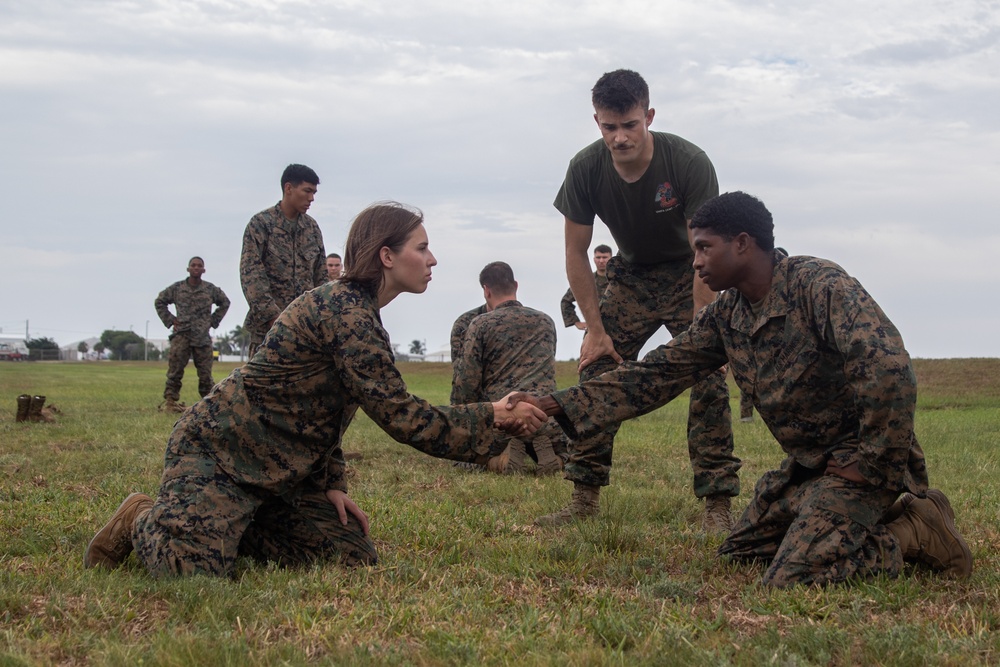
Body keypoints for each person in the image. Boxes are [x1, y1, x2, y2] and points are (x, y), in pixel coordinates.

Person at [508, 191, 973, 587]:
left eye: (705, 248)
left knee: (795, 574)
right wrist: (552, 404)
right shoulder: (727, 316)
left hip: (864, 466)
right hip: (813, 468)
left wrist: (875, 464)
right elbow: (654, 376)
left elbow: (888, 367)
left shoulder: (818, 286)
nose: (696, 262)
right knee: (742, 553)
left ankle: (915, 529)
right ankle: (826, 512)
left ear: (743, 244)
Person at [83, 202, 547, 578]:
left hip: (279, 473)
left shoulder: (362, 314)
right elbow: (404, 417)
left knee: (350, 555)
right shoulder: (343, 311)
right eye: (422, 248)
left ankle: (227, 524)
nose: (432, 259)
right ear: (387, 255)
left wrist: (331, 485)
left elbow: (327, 413)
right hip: (220, 457)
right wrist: (492, 414)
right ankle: (144, 516)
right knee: (191, 572)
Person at [547, 68, 738, 530]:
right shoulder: (585, 168)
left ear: (648, 116)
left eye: (630, 125)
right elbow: (575, 253)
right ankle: (584, 499)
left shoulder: (688, 162)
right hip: (630, 275)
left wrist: (703, 323)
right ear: (597, 123)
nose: (620, 137)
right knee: (598, 370)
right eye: (609, 127)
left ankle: (717, 506)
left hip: (687, 271)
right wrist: (594, 329)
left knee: (707, 374)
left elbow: (706, 248)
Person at [451, 262, 566, 476]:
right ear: (515, 285)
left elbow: (465, 384)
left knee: (462, 459)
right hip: (544, 420)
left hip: (502, 421)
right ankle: (556, 460)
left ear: (486, 291)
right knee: (570, 453)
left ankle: (499, 462)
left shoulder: (479, 324)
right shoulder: (545, 321)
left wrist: (460, 422)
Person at [240, 164, 327, 358]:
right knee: (263, 387)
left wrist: (320, 319)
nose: (311, 198)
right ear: (288, 188)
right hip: (268, 331)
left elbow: (321, 279)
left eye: (314, 192)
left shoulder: (312, 228)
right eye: (307, 191)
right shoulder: (261, 224)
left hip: (306, 331)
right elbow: (251, 276)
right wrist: (275, 319)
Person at [154, 257, 231, 413]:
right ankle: (170, 402)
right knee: (175, 372)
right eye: (193, 266)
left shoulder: (210, 289)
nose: (196, 268)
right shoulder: (177, 288)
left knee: (205, 375)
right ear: (188, 269)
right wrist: (170, 320)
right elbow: (160, 301)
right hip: (181, 336)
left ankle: (208, 404)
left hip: (202, 337)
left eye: (199, 266)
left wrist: (213, 321)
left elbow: (225, 302)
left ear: (203, 270)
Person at [560, 244, 613, 330]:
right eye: (598, 257)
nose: (601, 261)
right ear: (594, 259)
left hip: (619, 331)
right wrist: (575, 321)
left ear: (611, 259)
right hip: (594, 330)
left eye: (605, 257)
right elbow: (566, 301)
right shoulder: (586, 281)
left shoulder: (618, 281)